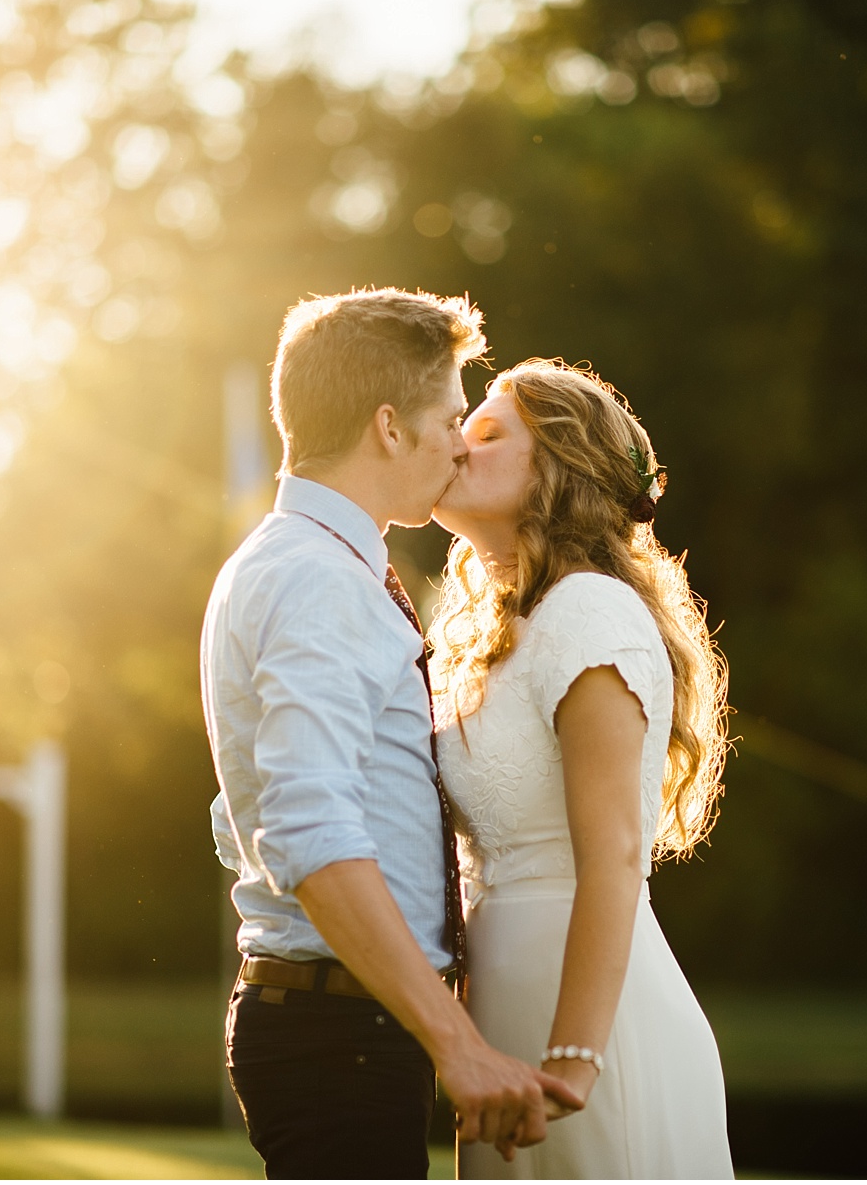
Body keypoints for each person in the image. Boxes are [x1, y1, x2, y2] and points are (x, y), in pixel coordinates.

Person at [201, 290, 581, 1179]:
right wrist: (458, 1043)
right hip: (342, 1032)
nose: (461, 441)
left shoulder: (300, 560)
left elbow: (241, 816)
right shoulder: (317, 581)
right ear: (389, 428)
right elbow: (307, 831)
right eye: (451, 417)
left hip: (344, 1022)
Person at [430, 359, 735, 1179]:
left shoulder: (588, 611)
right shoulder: (504, 629)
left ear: (558, 469)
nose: (458, 444)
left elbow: (615, 855)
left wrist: (573, 1057)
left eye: (489, 432)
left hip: (596, 1035)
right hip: (506, 1016)